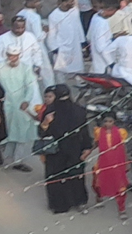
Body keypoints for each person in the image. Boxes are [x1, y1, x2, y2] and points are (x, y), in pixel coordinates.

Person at [38, 84, 92, 214]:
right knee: (75, 175)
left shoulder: (51, 111)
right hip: (75, 148)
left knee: (56, 177)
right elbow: (84, 131)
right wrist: (87, 147)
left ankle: (59, 205)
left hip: (56, 150)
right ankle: (79, 202)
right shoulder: (79, 110)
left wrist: (45, 123)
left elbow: (42, 133)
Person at [0, 45, 39, 172]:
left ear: (19, 55)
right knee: (5, 133)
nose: (13, 58)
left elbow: (30, 86)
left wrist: (26, 100)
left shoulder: (25, 69)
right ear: (6, 55)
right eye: (10, 56)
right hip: (4, 106)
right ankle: (1, 156)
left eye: (15, 56)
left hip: (20, 106)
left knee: (21, 133)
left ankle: (18, 161)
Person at [92, 112, 131, 219]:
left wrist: (126, 162)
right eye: (105, 121)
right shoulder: (98, 132)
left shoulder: (121, 132)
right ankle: (99, 197)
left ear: (114, 122)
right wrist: (87, 153)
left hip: (117, 163)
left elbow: (123, 148)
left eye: (110, 121)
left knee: (120, 186)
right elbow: (96, 144)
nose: (108, 124)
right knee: (97, 181)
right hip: (103, 162)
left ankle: (122, 209)